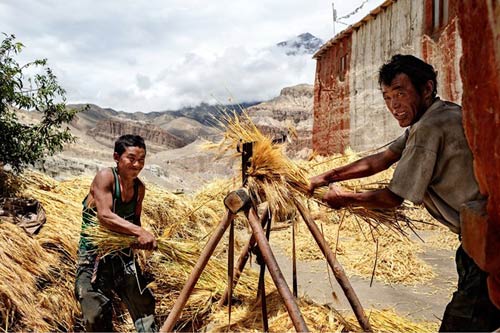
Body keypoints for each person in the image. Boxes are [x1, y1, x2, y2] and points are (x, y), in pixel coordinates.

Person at [308, 54, 500, 332]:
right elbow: (381, 159)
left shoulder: (429, 128)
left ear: (426, 89)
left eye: (400, 93)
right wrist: (328, 175)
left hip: (489, 239)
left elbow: (392, 198)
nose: (393, 105)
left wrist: (344, 198)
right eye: (387, 97)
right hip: (474, 239)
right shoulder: (440, 113)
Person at [75, 134, 157, 332]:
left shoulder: (139, 189)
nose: (137, 164)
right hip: (94, 256)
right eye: (131, 158)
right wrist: (139, 232)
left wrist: (139, 240)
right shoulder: (106, 177)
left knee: (144, 306)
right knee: (95, 314)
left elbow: (134, 221)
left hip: (122, 256)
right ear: (116, 157)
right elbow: (105, 216)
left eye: (142, 160)